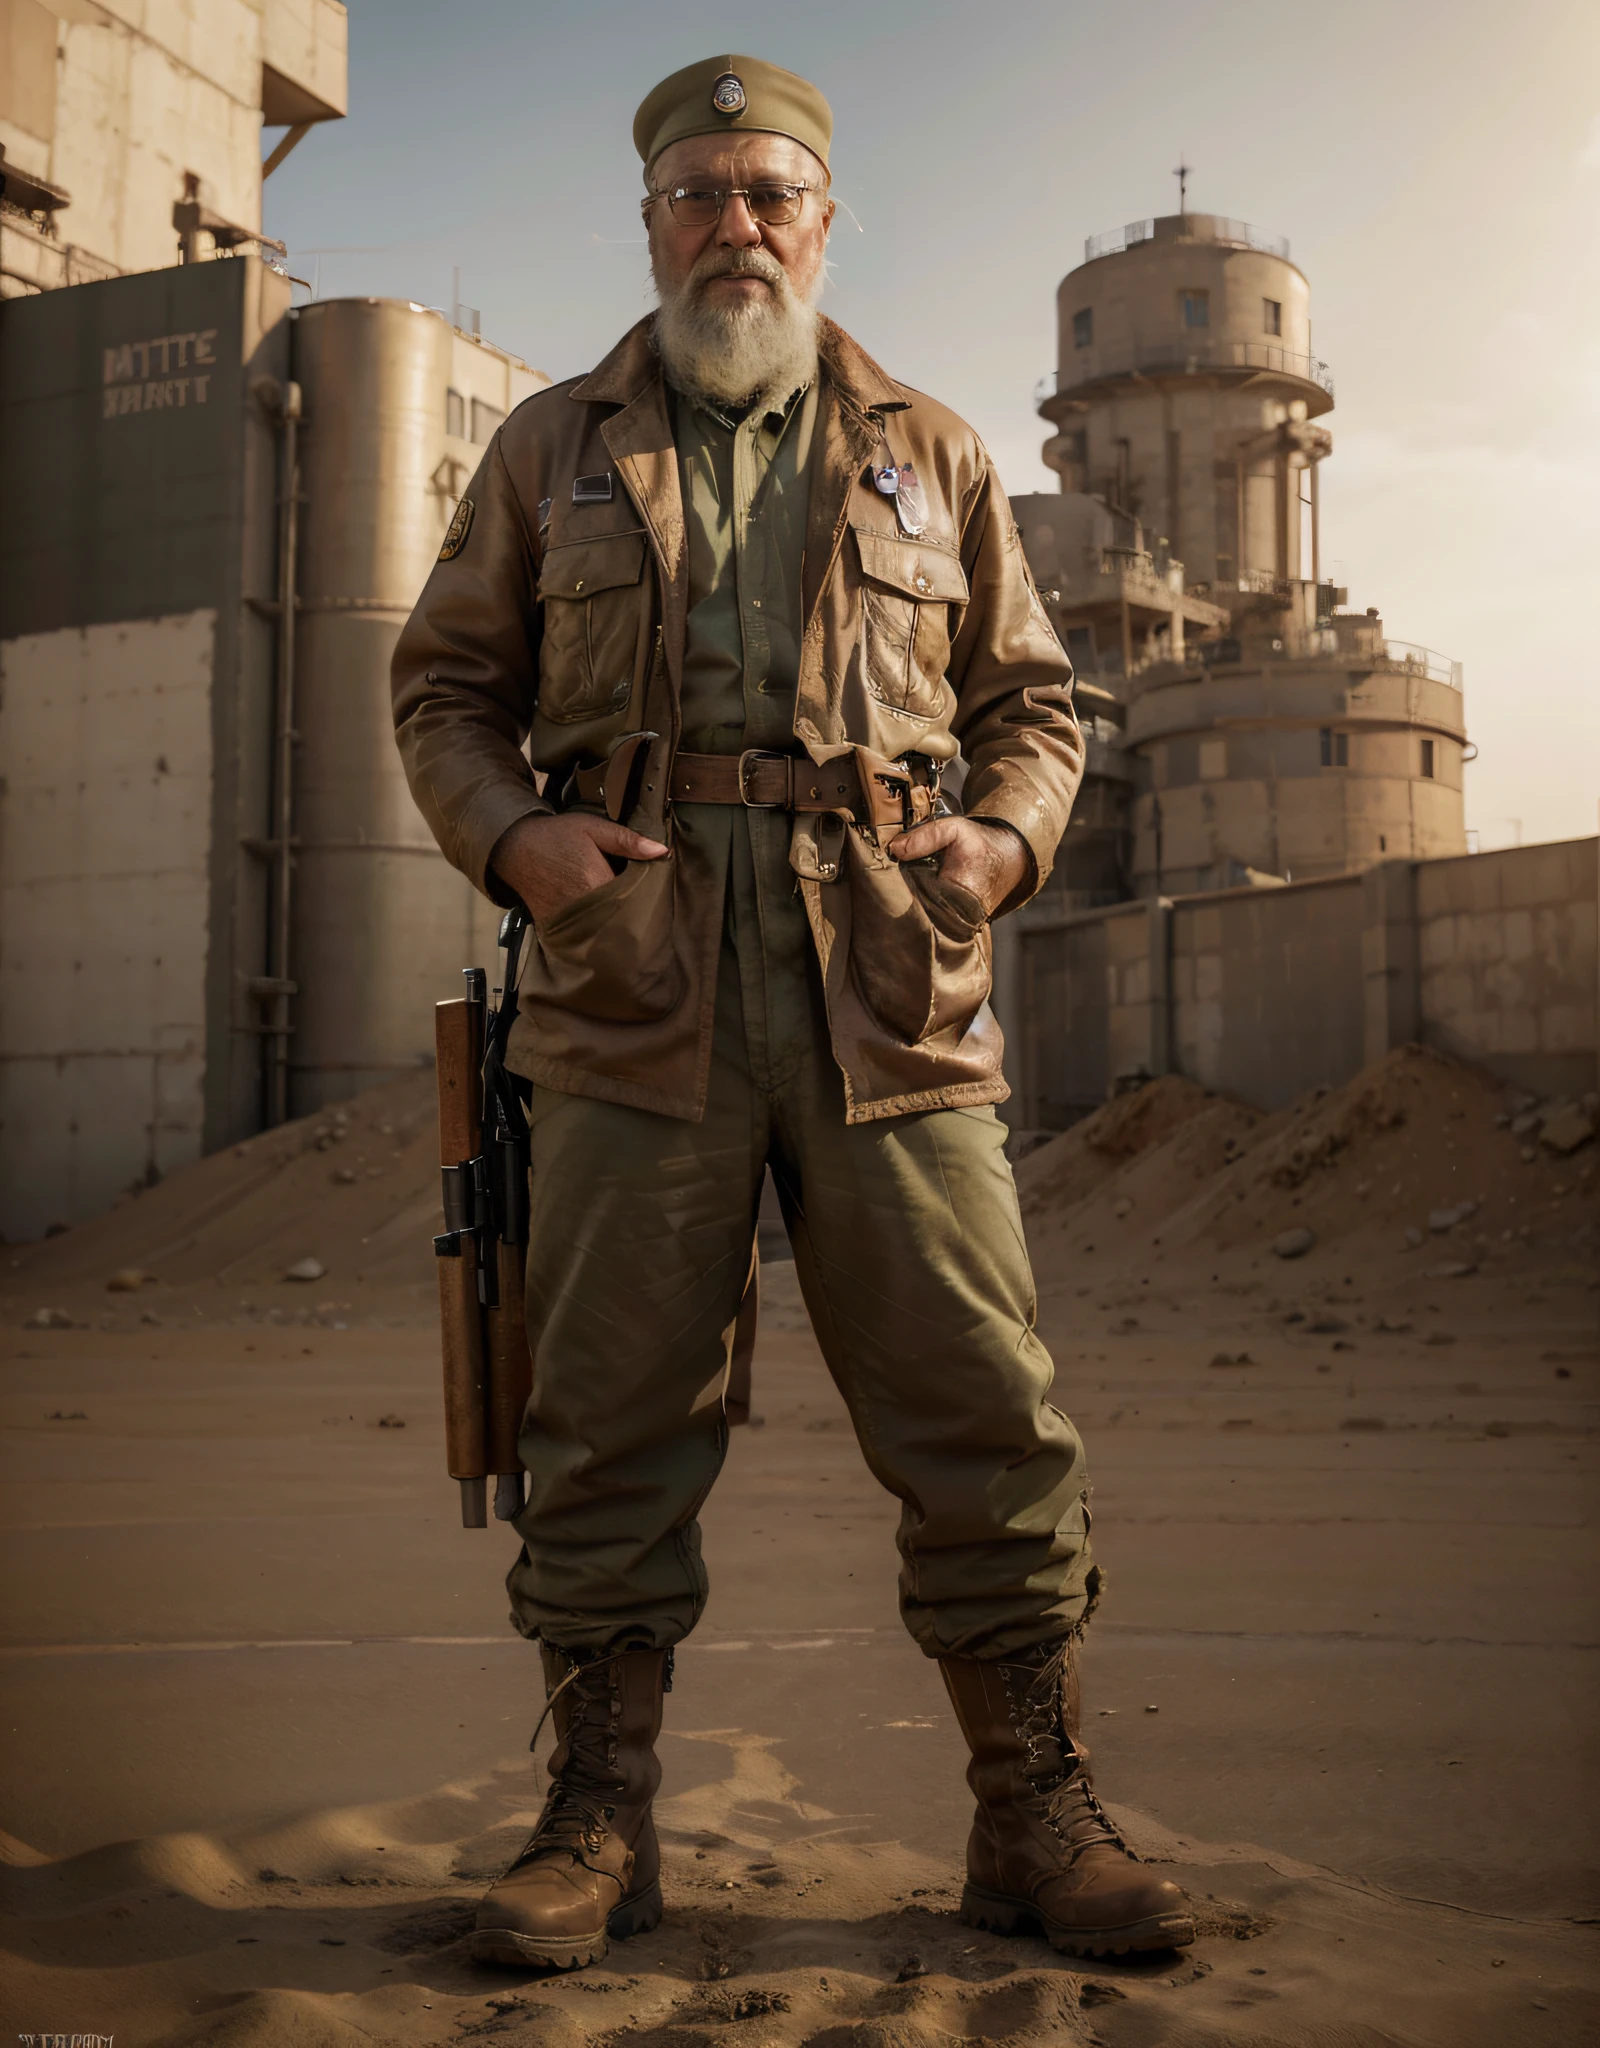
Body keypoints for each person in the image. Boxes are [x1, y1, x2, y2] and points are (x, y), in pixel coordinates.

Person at [391, 52, 1193, 1973]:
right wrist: (520, 848)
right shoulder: (551, 449)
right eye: (698, 194)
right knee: (600, 1418)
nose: (733, 226)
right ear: (651, 218)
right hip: (626, 998)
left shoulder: (935, 444)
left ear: (822, 218)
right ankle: (597, 1825)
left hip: (893, 999)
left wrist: (996, 853)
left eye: (768, 192)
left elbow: (1041, 706)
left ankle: (1035, 1813)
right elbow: (442, 690)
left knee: (982, 1407)